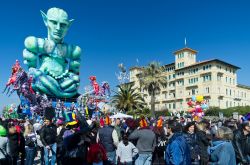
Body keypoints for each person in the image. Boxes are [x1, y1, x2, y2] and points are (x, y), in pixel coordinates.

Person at [23, 7, 81, 98]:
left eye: (63, 25)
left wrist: (72, 78)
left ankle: (58, 92)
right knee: (35, 76)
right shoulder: (37, 43)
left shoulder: (73, 50)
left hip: (63, 83)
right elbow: (32, 68)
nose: (58, 28)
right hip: (42, 78)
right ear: (46, 21)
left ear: (68, 26)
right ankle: (58, 92)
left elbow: (73, 72)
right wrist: (33, 71)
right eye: (54, 22)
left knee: (75, 80)